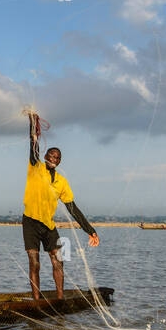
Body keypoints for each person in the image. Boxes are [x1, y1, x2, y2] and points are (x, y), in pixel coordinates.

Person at [22, 111, 99, 301]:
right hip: (30, 222)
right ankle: (37, 302)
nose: (54, 159)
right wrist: (33, 122)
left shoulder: (62, 182)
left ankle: (60, 299)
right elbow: (33, 144)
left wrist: (90, 230)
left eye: (57, 158)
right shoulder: (35, 167)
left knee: (58, 261)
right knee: (34, 262)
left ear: (59, 161)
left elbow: (73, 209)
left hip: (48, 226)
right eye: (51, 155)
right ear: (46, 155)